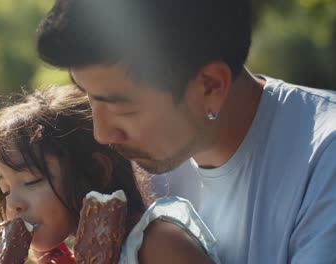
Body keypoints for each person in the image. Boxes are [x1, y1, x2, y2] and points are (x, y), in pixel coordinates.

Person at [35, 0, 336, 263]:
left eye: (122, 108)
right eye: (88, 96)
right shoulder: (129, 169)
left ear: (210, 86)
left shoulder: (324, 159)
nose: (102, 134)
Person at [0, 85, 220, 264]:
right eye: (5, 190)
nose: (13, 204)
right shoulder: (79, 255)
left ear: (97, 171)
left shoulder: (156, 244)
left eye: (31, 181)